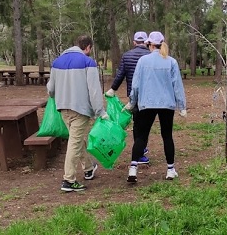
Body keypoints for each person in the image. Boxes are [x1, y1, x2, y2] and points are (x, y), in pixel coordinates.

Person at [47, 35, 108, 192]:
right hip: (80, 110)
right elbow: (94, 90)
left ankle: (88, 168)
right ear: (88, 47)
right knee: (74, 142)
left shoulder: (57, 62)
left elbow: (50, 89)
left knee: (77, 139)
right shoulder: (88, 62)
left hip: (62, 108)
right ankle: (69, 180)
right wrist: (100, 112)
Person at [124, 31, 186, 183]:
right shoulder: (171, 61)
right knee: (167, 136)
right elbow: (177, 85)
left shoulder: (143, 61)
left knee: (141, 136)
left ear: (150, 44)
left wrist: (132, 102)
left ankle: (133, 169)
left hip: (147, 103)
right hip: (167, 104)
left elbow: (136, 85)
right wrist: (182, 106)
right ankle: (170, 170)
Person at [105, 31, 151, 165]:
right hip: (149, 96)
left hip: (133, 96)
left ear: (134, 42)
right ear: (146, 42)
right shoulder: (150, 55)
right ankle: (141, 150)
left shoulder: (127, 56)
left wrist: (113, 89)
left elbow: (120, 75)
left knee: (137, 123)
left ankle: (140, 148)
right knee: (146, 124)